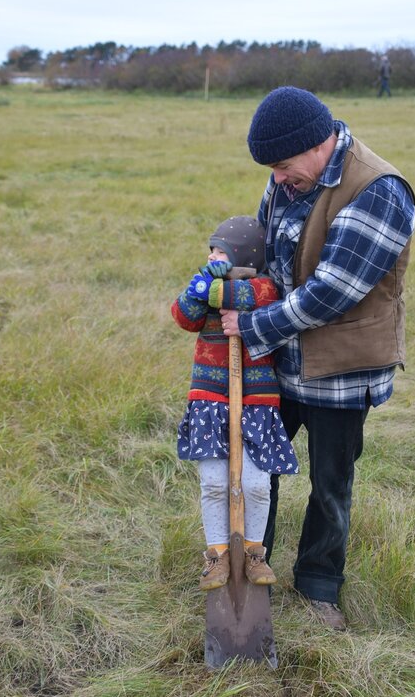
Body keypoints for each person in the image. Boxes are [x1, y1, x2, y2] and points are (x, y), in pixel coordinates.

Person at [220, 87, 415, 629]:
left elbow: (331, 291)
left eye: (282, 166)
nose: (277, 179)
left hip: (341, 375)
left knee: (331, 483)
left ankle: (319, 587)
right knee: (257, 469)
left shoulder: (379, 190)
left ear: (317, 143)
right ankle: (249, 569)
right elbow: (264, 248)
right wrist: (226, 272)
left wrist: (254, 324)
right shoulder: (290, 177)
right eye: (272, 169)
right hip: (280, 363)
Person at [171, 215, 299, 591]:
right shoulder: (205, 285)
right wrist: (201, 285)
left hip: (256, 401)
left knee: (257, 483)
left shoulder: (264, 288)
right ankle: (218, 555)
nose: (213, 256)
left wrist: (212, 286)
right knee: (213, 481)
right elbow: (183, 316)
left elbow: (249, 297)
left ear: (245, 256)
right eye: (211, 250)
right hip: (210, 399)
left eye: (221, 250)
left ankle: (254, 552)